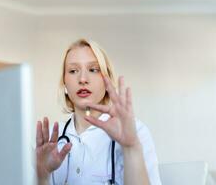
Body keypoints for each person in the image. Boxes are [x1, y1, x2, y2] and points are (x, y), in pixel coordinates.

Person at [35, 39, 162, 185]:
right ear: (64, 83)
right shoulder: (49, 140)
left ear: (106, 80)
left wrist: (130, 147)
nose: (82, 79)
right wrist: (42, 177)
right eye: (73, 71)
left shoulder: (135, 132)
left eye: (93, 69)